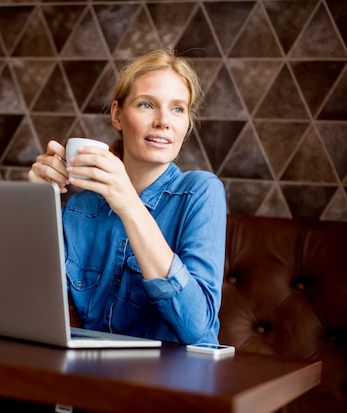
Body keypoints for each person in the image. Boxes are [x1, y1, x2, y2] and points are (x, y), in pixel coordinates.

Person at [28, 48, 227, 345]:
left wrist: (130, 206)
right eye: (147, 104)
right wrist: (37, 205)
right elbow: (30, 305)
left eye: (177, 109)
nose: (163, 121)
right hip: (92, 374)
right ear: (118, 115)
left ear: (187, 123)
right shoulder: (82, 207)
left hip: (177, 377)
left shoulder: (201, 192)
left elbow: (196, 329)